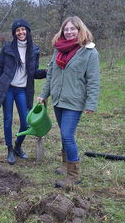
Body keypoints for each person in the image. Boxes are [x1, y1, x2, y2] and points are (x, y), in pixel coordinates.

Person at [37, 16, 100, 188]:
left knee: (67, 135)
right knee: (63, 134)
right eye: (66, 29)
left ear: (80, 30)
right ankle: (65, 165)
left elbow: (93, 80)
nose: (69, 32)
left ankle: (74, 175)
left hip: (74, 101)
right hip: (58, 100)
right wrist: (44, 94)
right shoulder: (59, 50)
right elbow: (51, 75)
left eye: (73, 29)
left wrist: (91, 103)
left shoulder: (89, 52)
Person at [0, 18, 47, 165]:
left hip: (23, 90)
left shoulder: (34, 50)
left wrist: (46, 72)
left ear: (27, 31)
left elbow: (33, 72)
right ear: (14, 33)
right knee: (8, 120)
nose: (21, 32)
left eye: (23, 29)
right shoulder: (7, 48)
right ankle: (9, 149)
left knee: (26, 122)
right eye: (17, 30)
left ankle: (18, 145)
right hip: (8, 89)